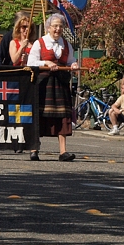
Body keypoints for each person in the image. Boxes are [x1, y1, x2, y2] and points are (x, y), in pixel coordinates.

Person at [27, 13, 80, 161]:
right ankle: (34, 150)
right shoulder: (40, 43)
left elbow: (70, 61)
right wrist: (46, 63)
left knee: (63, 116)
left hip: (61, 83)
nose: (58, 29)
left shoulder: (66, 44)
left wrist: (73, 65)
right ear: (48, 28)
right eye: (55, 26)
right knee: (39, 116)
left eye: (60, 26)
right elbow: (31, 62)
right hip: (43, 84)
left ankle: (63, 152)